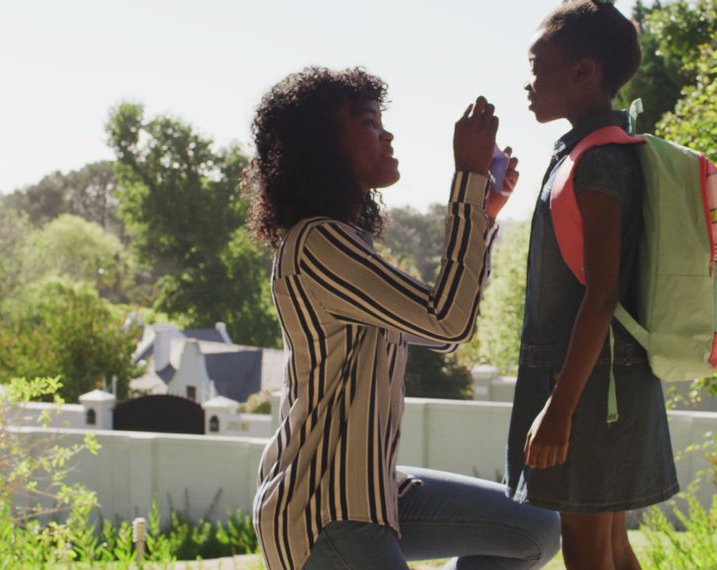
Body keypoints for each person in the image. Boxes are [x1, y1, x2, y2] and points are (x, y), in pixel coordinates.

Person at [242, 66, 560, 570]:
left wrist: (485, 213)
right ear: (322, 146)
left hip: (376, 494)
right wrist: (469, 180)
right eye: (368, 122)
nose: (386, 133)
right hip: (322, 510)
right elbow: (447, 321)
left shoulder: (344, 243)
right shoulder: (316, 244)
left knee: (535, 527)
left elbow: (445, 333)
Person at [505, 2, 680, 569]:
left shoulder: (598, 161)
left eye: (538, 67)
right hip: (607, 382)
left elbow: (601, 294)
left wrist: (559, 408)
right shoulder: (594, 152)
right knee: (611, 542)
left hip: (586, 388)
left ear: (582, 71)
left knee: (585, 546)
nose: (529, 83)